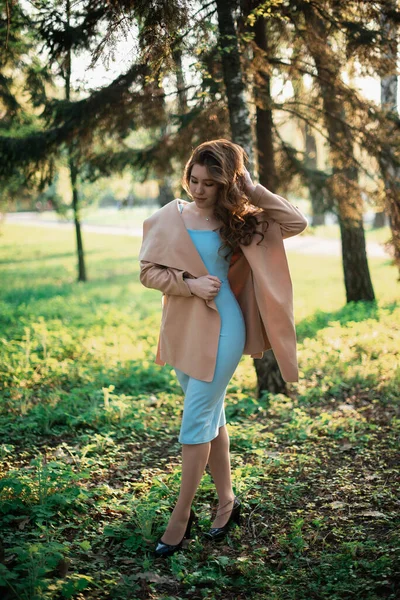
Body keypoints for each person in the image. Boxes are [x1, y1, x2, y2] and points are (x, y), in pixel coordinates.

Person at [138, 139, 308, 557]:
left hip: (224, 327)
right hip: (180, 329)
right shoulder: (167, 217)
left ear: (226, 184)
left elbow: (297, 221)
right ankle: (227, 500)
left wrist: (252, 190)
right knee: (212, 414)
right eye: (193, 180)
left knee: (195, 420)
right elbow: (147, 272)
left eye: (210, 183)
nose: (198, 190)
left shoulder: (242, 221)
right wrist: (188, 284)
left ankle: (181, 516)